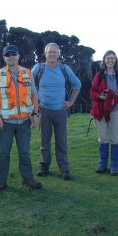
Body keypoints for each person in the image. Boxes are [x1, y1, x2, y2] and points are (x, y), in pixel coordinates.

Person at [0, 45, 42, 191]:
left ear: (18, 56)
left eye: (13, 54)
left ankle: (28, 179)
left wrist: (35, 114)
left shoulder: (27, 73)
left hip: (24, 121)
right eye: (8, 55)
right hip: (5, 122)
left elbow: (34, 95)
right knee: (3, 153)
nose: (11, 57)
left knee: (24, 152)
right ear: (4, 58)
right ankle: (0, 181)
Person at [31, 43, 81, 180]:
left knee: (61, 141)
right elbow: (27, 84)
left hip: (60, 110)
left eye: (54, 52)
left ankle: (64, 168)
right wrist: (34, 104)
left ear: (58, 54)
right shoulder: (38, 68)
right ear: (45, 54)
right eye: (49, 52)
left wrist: (71, 101)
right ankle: (44, 166)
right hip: (44, 110)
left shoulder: (64, 69)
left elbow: (77, 84)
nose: (52, 54)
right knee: (44, 141)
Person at [90, 50, 118, 175]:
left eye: (112, 58)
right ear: (104, 60)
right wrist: (100, 97)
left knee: (115, 138)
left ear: (116, 60)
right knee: (103, 137)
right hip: (101, 110)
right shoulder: (99, 75)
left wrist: (116, 99)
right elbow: (92, 92)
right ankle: (102, 163)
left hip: (116, 110)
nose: (110, 60)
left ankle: (114, 165)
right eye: (108, 58)